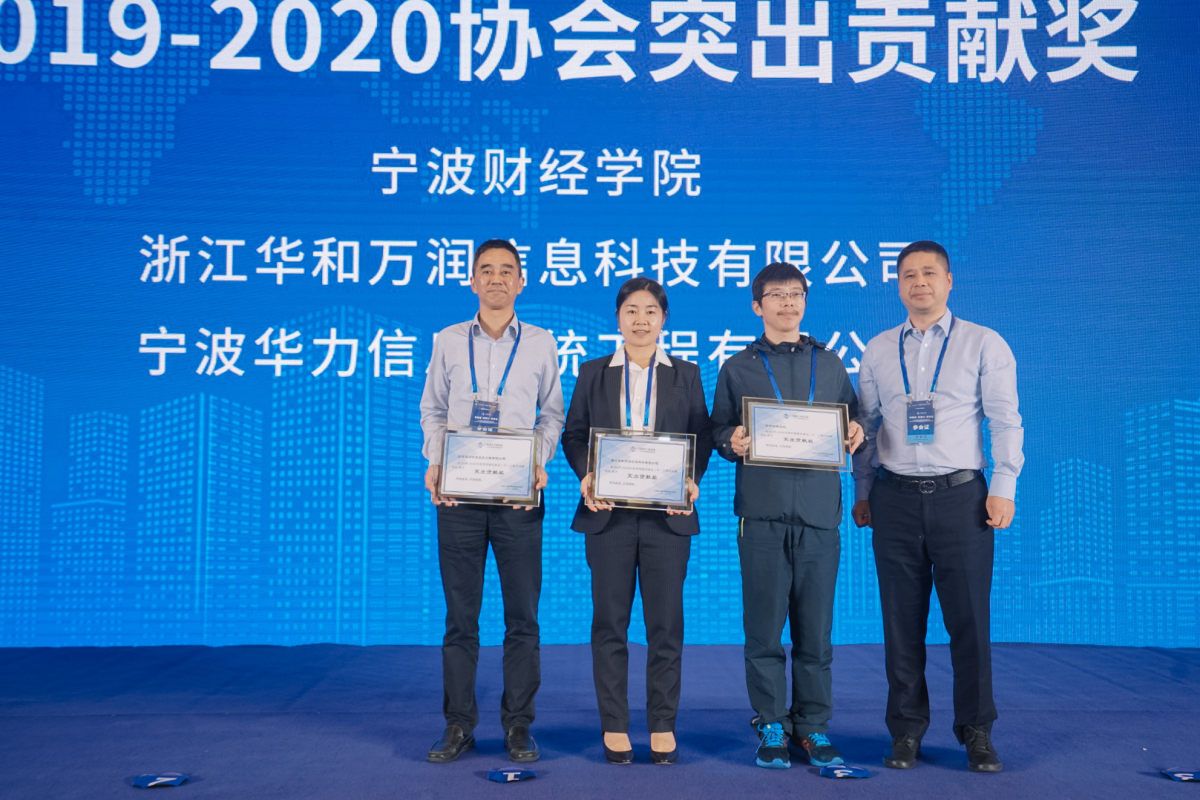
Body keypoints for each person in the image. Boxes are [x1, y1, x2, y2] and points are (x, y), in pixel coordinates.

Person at [851, 240, 1023, 774]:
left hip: (961, 498)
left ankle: (977, 731)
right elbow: (867, 428)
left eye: (929, 273)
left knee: (968, 620)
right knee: (901, 622)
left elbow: (1005, 419)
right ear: (897, 285)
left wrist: (1004, 485)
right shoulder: (878, 349)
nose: (919, 282)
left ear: (949, 281)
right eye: (908, 275)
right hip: (894, 498)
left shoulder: (983, 343)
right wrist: (862, 491)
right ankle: (906, 730)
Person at [709, 263, 865, 770]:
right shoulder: (738, 367)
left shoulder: (831, 363)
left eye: (795, 293)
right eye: (776, 295)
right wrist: (731, 441)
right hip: (762, 514)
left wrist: (857, 431)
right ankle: (772, 721)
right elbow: (717, 430)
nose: (787, 302)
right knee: (764, 628)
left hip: (819, 514)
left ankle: (813, 726)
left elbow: (854, 417)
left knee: (815, 631)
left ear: (805, 301)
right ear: (758, 306)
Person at [419, 239, 565, 764]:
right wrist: (436, 460)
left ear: (521, 281)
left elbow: (552, 413)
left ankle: (519, 725)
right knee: (461, 618)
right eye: (486, 270)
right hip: (458, 496)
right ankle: (458, 724)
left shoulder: (542, 342)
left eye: (507, 270)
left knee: (522, 618)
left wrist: (537, 462)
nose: (496, 278)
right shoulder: (448, 340)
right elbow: (434, 409)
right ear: (472, 281)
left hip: (517, 500)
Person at [561, 277, 713, 765]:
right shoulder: (593, 373)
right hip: (609, 517)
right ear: (618, 317)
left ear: (664, 319)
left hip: (667, 518)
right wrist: (587, 475)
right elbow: (573, 434)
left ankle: (663, 723)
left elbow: (701, 436)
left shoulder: (686, 374)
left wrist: (689, 481)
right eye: (631, 310)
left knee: (665, 625)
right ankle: (615, 724)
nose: (640, 319)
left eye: (650, 310)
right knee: (610, 623)